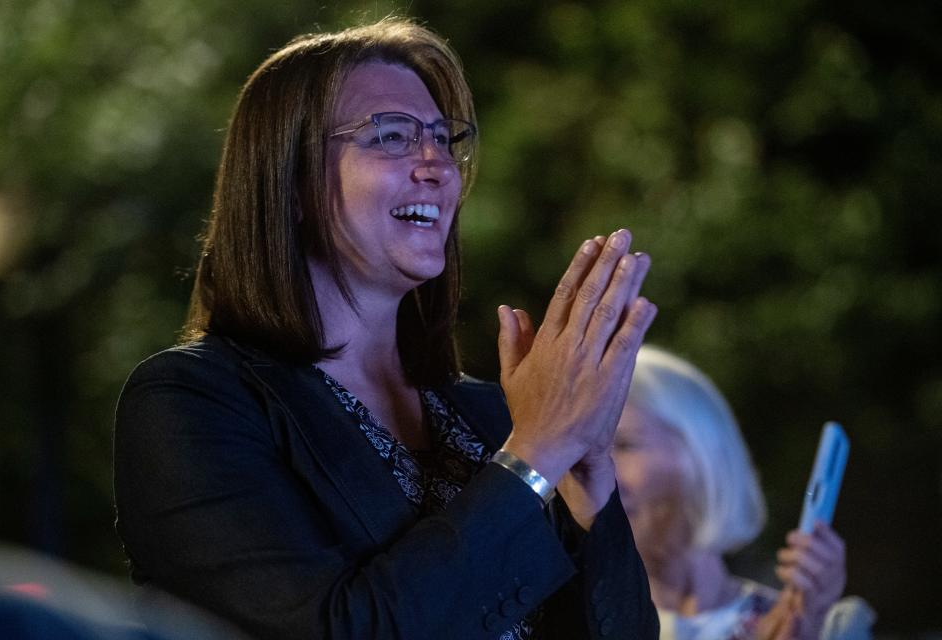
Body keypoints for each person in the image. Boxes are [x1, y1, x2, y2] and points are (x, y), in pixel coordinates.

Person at [114, 18, 660, 640]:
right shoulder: (194, 403)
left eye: (442, 139)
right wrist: (534, 457)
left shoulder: (493, 414)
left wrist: (585, 469)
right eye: (393, 137)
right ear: (289, 183)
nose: (437, 166)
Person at [612, 345, 875, 640]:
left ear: (702, 454)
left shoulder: (823, 628)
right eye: (584, 450)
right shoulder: (569, 622)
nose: (594, 471)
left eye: (623, 445)